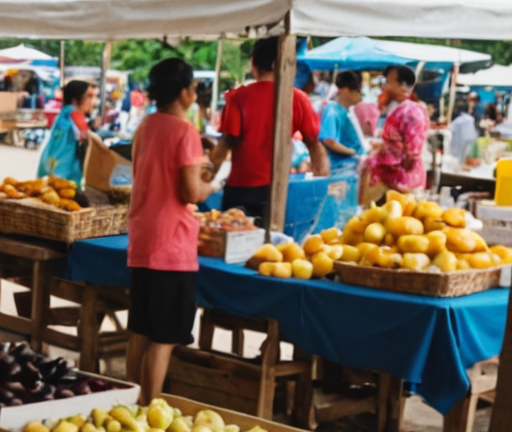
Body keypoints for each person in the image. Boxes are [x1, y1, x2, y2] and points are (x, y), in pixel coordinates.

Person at [126, 59, 212, 403]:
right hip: (171, 245)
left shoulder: (146, 125)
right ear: (185, 92)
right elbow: (191, 192)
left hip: (143, 238)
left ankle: (130, 405)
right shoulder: (184, 131)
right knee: (164, 336)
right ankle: (149, 409)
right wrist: (212, 185)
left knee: (141, 329)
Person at [210, 36, 327, 226]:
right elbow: (315, 146)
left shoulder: (237, 97)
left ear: (253, 64)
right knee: (274, 242)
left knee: (234, 239)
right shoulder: (297, 98)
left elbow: (224, 146)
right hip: (279, 191)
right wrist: (320, 188)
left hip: (239, 190)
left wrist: (206, 180)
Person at [363, 64, 430, 202]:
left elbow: (413, 153)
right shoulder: (394, 108)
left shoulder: (412, 112)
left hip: (402, 183)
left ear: (403, 87)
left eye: (388, 82)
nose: (384, 86)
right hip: (389, 179)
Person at [37, 80, 103, 185]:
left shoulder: (65, 112)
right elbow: (88, 136)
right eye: (89, 96)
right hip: (63, 171)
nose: (92, 101)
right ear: (75, 98)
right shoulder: (75, 112)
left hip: (50, 166)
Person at [319, 70, 367, 184]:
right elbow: (329, 140)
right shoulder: (332, 110)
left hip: (352, 168)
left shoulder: (346, 111)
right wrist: (351, 152)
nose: (359, 95)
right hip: (342, 170)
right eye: (357, 91)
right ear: (345, 90)